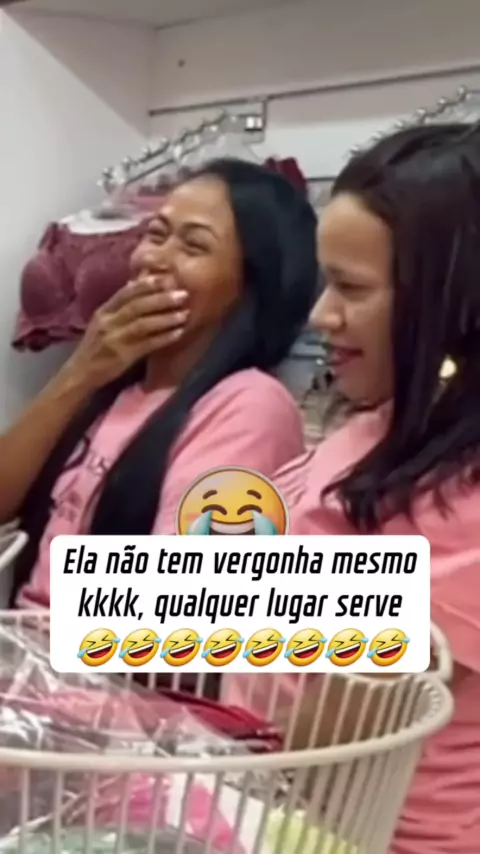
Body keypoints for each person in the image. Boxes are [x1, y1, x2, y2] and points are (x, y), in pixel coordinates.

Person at [230, 123, 480, 853]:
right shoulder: (385, 423)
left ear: (457, 300)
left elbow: (343, 720)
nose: (319, 315)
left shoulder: (463, 498)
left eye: (352, 288)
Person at [1, 158, 318, 608]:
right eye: (155, 234)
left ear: (252, 284)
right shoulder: (111, 388)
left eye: (194, 246)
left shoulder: (252, 406)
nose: (153, 259)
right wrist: (79, 371)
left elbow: (181, 601)